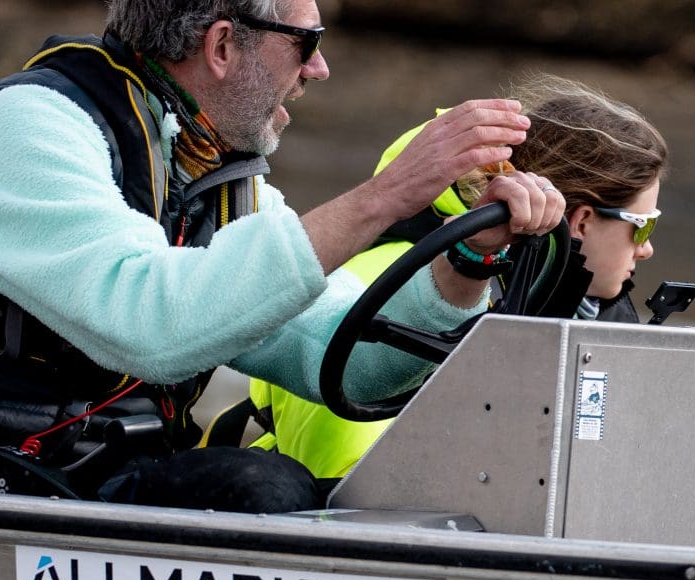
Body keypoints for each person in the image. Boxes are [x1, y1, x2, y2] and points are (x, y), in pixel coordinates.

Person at [0, 0, 566, 514]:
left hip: (79, 486)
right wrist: (385, 198)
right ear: (222, 46)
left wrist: (467, 261)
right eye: (306, 42)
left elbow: (343, 363)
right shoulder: (27, 128)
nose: (319, 69)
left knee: (292, 492)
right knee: (264, 490)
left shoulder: (216, 176)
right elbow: (153, 324)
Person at [241, 73, 668, 480]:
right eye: (643, 227)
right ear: (583, 222)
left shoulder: (576, 310)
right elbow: (341, 474)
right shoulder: (379, 277)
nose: (646, 249)